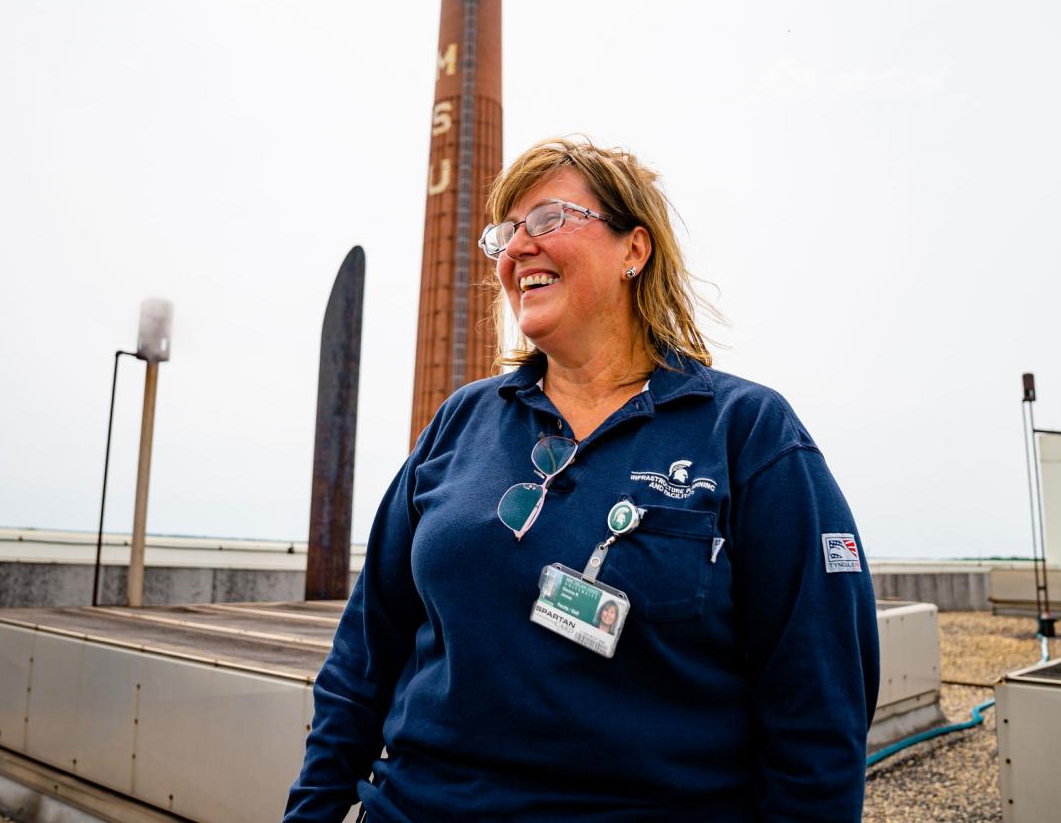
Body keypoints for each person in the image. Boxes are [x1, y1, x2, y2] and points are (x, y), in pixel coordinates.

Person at [284, 137, 879, 822]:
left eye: (547, 219)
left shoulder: (747, 433)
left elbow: (819, 712)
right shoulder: (463, 422)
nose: (516, 249)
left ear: (634, 249)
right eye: (505, 234)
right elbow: (365, 653)